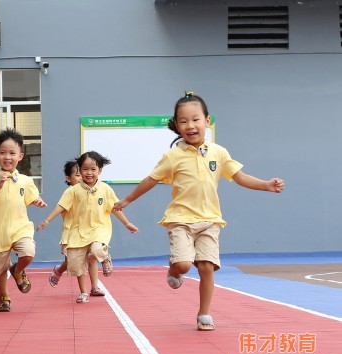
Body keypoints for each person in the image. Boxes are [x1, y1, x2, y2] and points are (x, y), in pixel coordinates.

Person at [113, 92, 285, 331]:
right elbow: (151, 180)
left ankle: (204, 313)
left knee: (206, 267)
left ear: (207, 121)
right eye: (183, 121)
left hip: (210, 220)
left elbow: (240, 177)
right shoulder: (173, 156)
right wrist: (127, 199)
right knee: (184, 264)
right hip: (180, 219)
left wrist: (266, 185)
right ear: (176, 126)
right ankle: (174, 269)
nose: (190, 125)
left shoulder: (218, 152)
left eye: (195, 119)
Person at [38, 151, 138, 303]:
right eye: (85, 169)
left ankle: (103, 262)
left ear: (100, 171)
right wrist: (47, 220)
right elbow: (61, 206)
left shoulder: (105, 189)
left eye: (93, 169)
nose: (89, 173)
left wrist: (127, 223)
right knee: (77, 264)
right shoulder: (73, 190)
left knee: (96, 251)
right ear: (80, 169)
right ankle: (84, 292)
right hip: (77, 232)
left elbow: (114, 208)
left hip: (99, 229)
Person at [0, 128, 47, 312]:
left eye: (12, 153)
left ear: (20, 156)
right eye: (3, 153)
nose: (8, 157)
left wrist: (37, 202)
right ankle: (4, 296)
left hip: (20, 227)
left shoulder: (25, 180)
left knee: (28, 252)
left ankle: (17, 271)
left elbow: (31, 198)